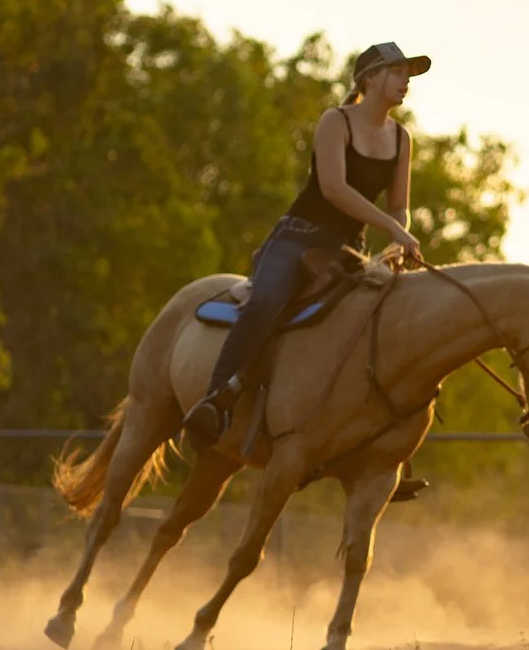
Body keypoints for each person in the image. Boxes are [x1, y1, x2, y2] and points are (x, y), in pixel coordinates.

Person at [181, 41, 430, 446]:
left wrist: (398, 238)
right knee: (265, 303)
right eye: (398, 72)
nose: (406, 82)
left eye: (407, 75)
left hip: (348, 253)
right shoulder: (335, 122)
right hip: (297, 239)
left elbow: (400, 206)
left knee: (384, 326)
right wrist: (395, 227)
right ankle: (214, 404)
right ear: (370, 78)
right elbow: (333, 189)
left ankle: (375, 445)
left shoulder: (402, 139)